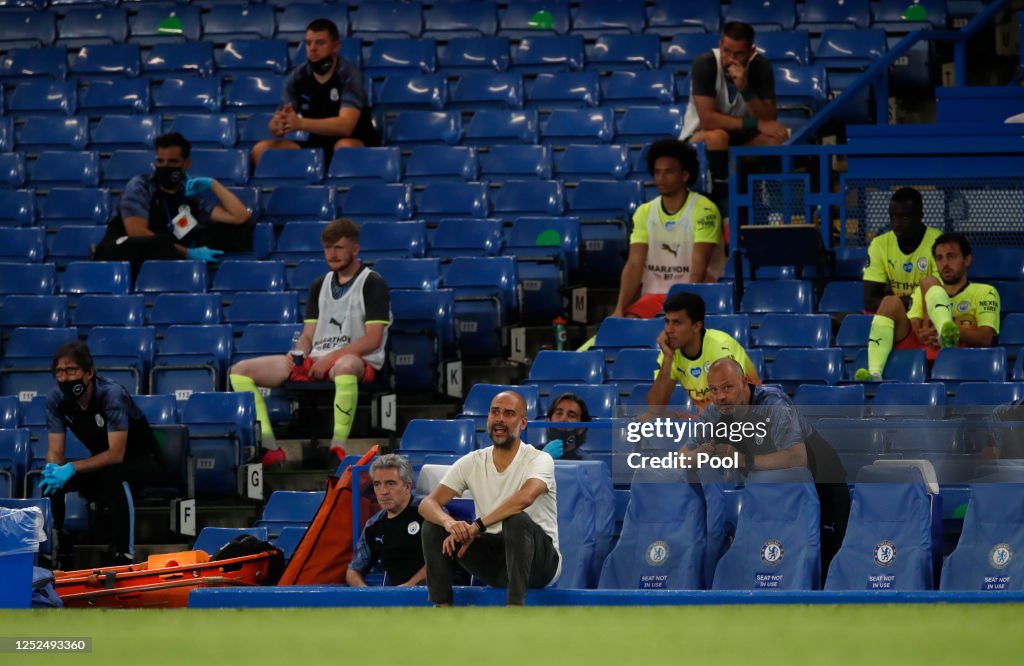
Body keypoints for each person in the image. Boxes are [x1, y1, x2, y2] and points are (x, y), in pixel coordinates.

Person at [229, 219, 391, 466]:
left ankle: (339, 445)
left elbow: (373, 339)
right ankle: (270, 446)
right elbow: (308, 335)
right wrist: (299, 352)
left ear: (355, 249)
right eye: (327, 248)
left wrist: (331, 356)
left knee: (345, 365)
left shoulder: (372, 283)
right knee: (239, 371)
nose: (332, 254)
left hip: (358, 360)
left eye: (338, 247)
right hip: (318, 359)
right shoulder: (320, 285)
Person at [685, 357, 849, 579]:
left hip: (823, 487)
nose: (720, 396)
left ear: (744, 383)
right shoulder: (716, 412)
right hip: (774, 495)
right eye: (713, 389)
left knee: (820, 572)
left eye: (727, 387)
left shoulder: (773, 404)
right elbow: (682, 457)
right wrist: (698, 455)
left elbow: (797, 458)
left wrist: (744, 460)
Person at [419, 391, 561, 606]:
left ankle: (514, 607)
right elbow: (427, 504)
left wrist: (477, 526)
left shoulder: (540, 459)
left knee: (516, 519)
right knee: (433, 526)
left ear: (523, 423)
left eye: (509, 413)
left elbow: (525, 498)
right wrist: (451, 524)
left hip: (539, 562)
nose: (500, 419)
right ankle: (442, 606)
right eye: (495, 412)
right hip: (495, 560)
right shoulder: (473, 461)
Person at [43, 342, 167, 566]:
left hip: (145, 462)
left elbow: (116, 454)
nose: (65, 378)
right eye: (60, 372)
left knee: (114, 475)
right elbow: (55, 450)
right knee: (50, 483)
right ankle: (54, 547)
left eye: (71, 370)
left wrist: (72, 468)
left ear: (89, 373)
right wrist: (53, 469)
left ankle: (124, 554)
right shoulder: (56, 400)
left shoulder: (111, 395)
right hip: (104, 463)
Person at [93, 132, 252, 278]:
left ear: (186, 163)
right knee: (161, 243)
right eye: (160, 161)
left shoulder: (190, 197)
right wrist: (188, 253)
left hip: (160, 259)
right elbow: (137, 232)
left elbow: (240, 217)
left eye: (173, 162)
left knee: (230, 230)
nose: (165, 167)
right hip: (122, 251)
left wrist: (213, 184)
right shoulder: (141, 186)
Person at [855, 232, 1000, 380]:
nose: (945, 264)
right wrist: (922, 334)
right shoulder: (923, 291)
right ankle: (874, 373)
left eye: (951, 256)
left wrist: (954, 331)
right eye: (939, 258)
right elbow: (913, 325)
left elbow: (985, 337)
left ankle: (945, 330)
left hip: (960, 356)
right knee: (890, 302)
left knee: (929, 282)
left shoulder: (985, 291)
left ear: (967, 260)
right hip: (922, 354)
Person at [680, 21, 789, 209]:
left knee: (775, 140)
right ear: (721, 44)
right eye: (727, 51)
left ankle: (774, 209)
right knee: (718, 136)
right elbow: (708, 120)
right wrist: (756, 125)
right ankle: (722, 210)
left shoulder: (760, 67)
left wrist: (745, 89)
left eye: (738, 54)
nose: (730, 59)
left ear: (751, 51)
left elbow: (769, 118)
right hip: (697, 142)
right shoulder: (705, 64)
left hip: (737, 143)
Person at [611, 139, 724, 320]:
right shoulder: (645, 212)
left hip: (698, 298)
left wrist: (684, 311)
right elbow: (634, 264)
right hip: (653, 298)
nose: (661, 178)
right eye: (657, 172)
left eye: (669, 172)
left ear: (685, 175)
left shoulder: (704, 210)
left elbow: (699, 268)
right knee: (628, 324)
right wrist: (619, 308)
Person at [251, 18, 380, 168]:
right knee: (262, 150)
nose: (312, 48)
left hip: (354, 140)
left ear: (336, 46)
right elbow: (282, 117)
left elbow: (345, 126)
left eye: (320, 43)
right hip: (316, 145)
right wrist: (277, 126)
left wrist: (300, 123)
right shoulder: (297, 77)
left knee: (344, 147)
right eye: (308, 43)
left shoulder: (349, 74)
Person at [648, 291, 760, 413]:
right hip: (713, 419)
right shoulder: (670, 352)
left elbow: (738, 401)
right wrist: (668, 358)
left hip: (752, 414)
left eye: (677, 322)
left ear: (696, 326)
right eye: (667, 321)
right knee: (648, 420)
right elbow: (655, 408)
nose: (669, 329)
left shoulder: (721, 346)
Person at [346, 454, 426, 587]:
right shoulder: (373, 525)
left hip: (434, 594)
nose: (383, 491)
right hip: (396, 600)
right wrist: (369, 597)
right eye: (377, 484)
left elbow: (442, 559)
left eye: (390, 483)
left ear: (407, 487)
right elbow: (353, 570)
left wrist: (408, 588)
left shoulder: (427, 511)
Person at [862, 187, 943, 313]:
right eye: (893, 217)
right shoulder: (879, 244)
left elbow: (940, 297)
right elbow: (870, 301)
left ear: (920, 216)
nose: (897, 224)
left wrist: (897, 302)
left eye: (905, 218)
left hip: (929, 316)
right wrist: (909, 302)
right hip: (896, 314)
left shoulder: (939, 242)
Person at [540, 392, 592, 461]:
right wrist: (541, 461)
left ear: (581, 428)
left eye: (571, 416)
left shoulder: (587, 462)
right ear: (548, 421)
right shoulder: (532, 455)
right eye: (559, 413)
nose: (563, 419)